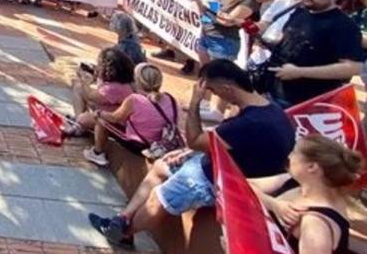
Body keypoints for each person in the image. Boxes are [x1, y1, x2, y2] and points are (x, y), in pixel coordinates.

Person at [89, 60, 295, 248]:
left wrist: (195, 102)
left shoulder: (246, 124)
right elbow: (223, 143)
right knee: (161, 167)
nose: (216, 97)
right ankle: (123, 218)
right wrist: (188, 151)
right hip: (219, 165)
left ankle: (125, 234)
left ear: (227, 88)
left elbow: (196, 140)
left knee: (157, 199)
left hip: (216, 180)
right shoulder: (272, 110)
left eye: (213, 91)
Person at [267, 0, 365, 106]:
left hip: (308, 101)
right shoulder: (300, 12)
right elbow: (287, 42)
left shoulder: (343, 25)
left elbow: (353, 67)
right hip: (273, 90)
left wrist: (300, 72)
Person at [252, 134, 362, 254]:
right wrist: (273, 204)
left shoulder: (316, 225)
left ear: (311, 167)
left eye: (294, 153)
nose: (289, 156)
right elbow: (242, 184)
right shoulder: (296, 181)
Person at [85, 63, 179, 166]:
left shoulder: (134, 99)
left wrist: (100, 113)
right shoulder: (170, 98)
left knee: (101, 120)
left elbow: (114, 118)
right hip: (163, 143)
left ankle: (97, 152)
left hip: (141, 145)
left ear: (137, 80)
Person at [192, 0, 259, 65]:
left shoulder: (248, 2)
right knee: (205, 72)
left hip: (223, 42)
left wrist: (213, 13)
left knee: (217, 77)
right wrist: (198, 1)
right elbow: (207, 13)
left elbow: (227, 22)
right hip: (206, 36)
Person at [63, 47, 135, 138]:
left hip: (114, 122)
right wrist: (95, 77)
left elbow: (91, 96)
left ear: (109, 70)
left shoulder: (115, 88)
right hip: (106, 111)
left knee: (82, 114)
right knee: (78, 88)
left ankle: (79, 124)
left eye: (100, 65)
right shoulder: (121, 82)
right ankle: (79, 124)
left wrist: (83, 80)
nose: (97, 67)